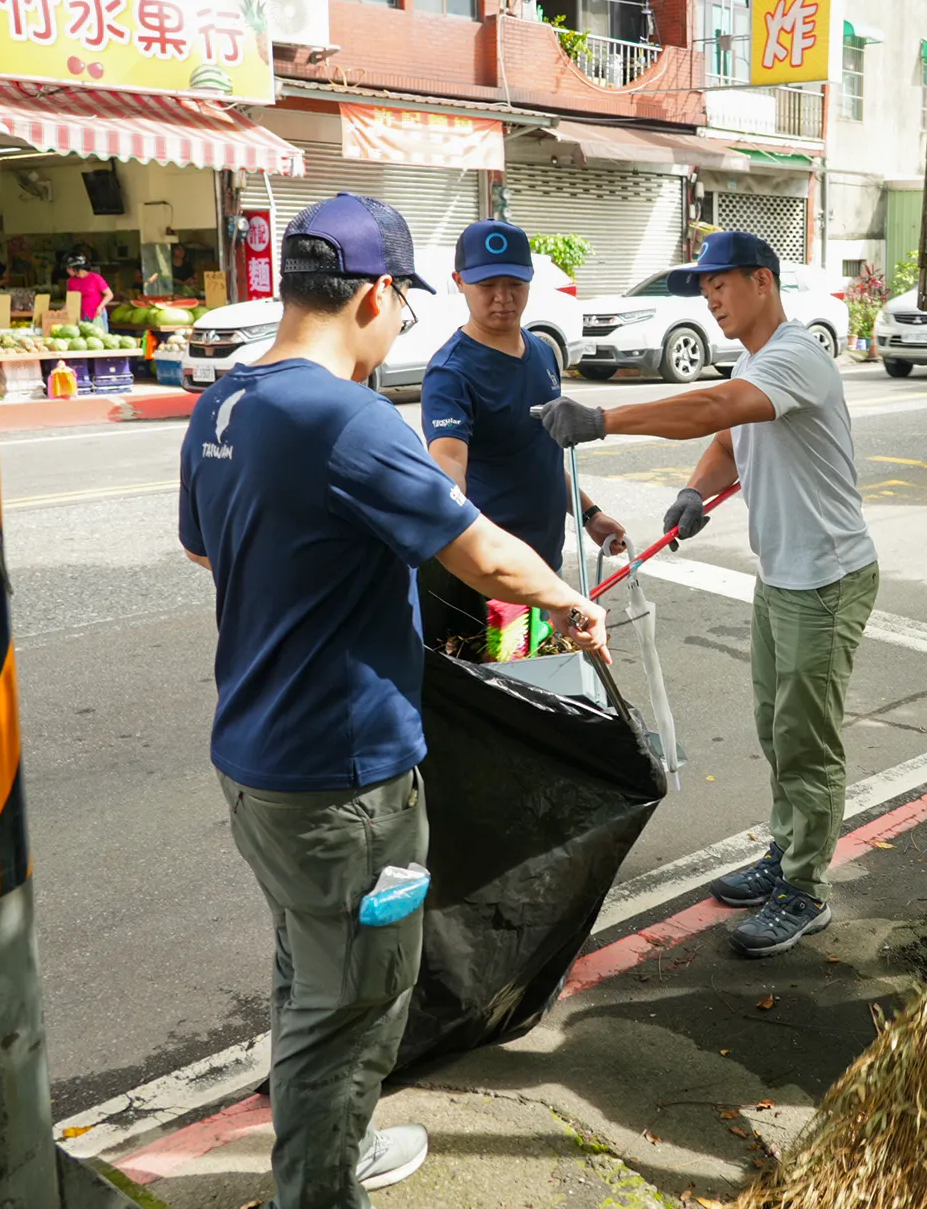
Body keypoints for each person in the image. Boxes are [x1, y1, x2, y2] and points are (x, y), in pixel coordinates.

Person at [178, 192, 609, 1209]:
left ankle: (335, 1146)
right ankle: (320, 1188)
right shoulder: (343, 416)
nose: (396, 327)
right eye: (401, 306)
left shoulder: (226, 403)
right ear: (378, 294)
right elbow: (486, 554)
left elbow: (204, 545)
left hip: (256, 759)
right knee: (355, 1005)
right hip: (343, 781)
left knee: (307, 977)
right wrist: (571, 604)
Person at [533, 231, 879, 958]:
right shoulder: (758, 358)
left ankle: (807, 888)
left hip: (827, 579)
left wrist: (600, 421)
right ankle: (788, 851)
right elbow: (725, 435)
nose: (710, 298)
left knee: (805, 740)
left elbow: (709, 407)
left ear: (762, 280)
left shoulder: (795, 354)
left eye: (720, 283)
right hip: (784, 575)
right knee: (773, 725)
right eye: (703, 288)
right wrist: (697, 489)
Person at [419, 219, 627, 640]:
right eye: (487, 284)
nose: (502, 298)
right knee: (509, 693)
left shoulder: (542, 353)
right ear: (460, 282)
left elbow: (542, 456)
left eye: (514, 283)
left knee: (550, 688)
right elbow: (448, 469)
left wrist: (589, 514)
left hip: (546, 568)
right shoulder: (450, 373)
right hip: (493, 581)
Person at [63, 249, 113, 333]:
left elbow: (109, 295)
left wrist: (100, 307)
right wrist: (60, 313)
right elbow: (70, 301)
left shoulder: (95, 278)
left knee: (101, 339)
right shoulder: (71, 281)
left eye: (68, 268)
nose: (67, 270)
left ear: (75, 268)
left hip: (97, 314)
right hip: (81, 316)